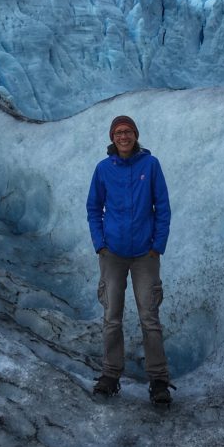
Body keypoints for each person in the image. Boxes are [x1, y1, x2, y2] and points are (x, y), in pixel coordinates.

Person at [86, 114, 175, 406]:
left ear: (136, 135)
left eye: (128, 132)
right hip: (112, 254)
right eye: (118, 133)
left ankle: (159, 380)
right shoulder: (103, 169)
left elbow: (162, 207)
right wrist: (100, 245)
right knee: (112, 317)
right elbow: (93, 207)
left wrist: (157, 246)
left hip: (144, 256)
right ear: (112, 138)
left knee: (149, 317)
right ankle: (110, 376)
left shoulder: (150, 165)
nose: (123, 137)